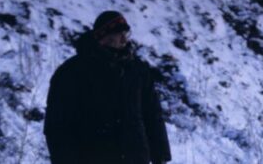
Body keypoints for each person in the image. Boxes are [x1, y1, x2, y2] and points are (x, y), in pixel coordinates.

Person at [44, 10, 172, 164]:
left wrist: (160, 155)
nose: (124, 38)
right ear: (102, 36)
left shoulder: (138, 70)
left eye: (126, 32)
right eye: (119, 33)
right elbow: (57, 125)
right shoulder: (72, 71)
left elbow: (152, 114)